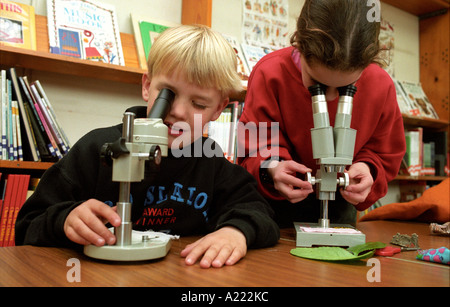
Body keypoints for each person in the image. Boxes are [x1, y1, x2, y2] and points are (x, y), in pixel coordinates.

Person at [15, 25, 280, 268]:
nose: (177, 112)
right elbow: (27, 225)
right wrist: (65, 219)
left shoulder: (211, 162)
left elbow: (259, 212)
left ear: (219, 109)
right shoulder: (94, 148)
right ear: (147, 86)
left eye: (199, 104)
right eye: (168, 94)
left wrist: (235, 231)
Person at [237, 0, 406, 227]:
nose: (330, 98)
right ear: (299, 44)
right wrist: (272, 167)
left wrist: (367, 169)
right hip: (274, 213)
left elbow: (384, 152)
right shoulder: (270, 73)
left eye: (347, 88)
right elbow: (254, 147)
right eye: (317, 85)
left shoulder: (381, 85)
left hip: (340, 213)